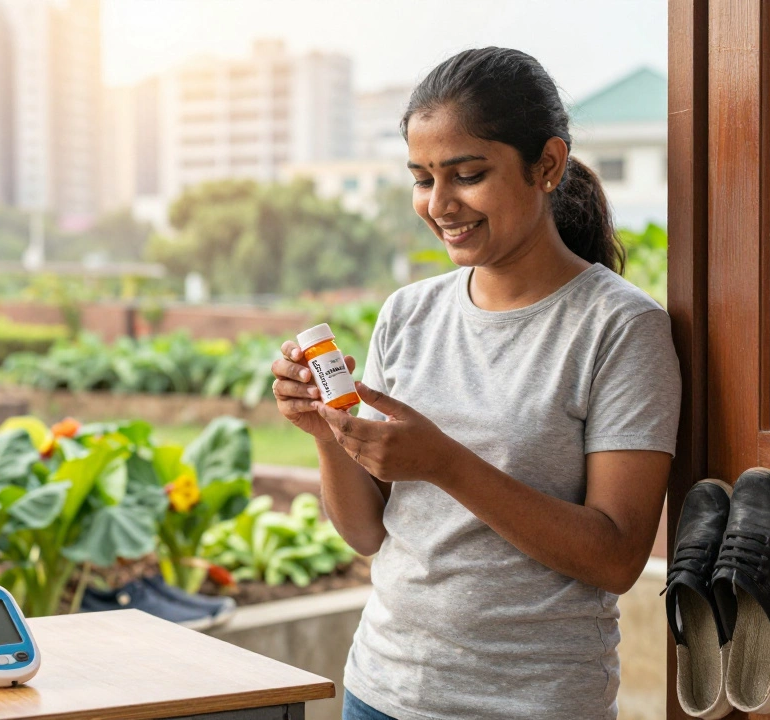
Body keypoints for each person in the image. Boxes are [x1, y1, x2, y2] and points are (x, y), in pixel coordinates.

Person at [270, 47, 681, 720]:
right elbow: (368, 533)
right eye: (422, 178)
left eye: (466, 174)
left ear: (546, 165)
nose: (439, 204)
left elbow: (616, 556)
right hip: (381, 689)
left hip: (534, 705)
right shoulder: (409, 313)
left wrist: (444, 464)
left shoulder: (621, 329)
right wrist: (325, 435)